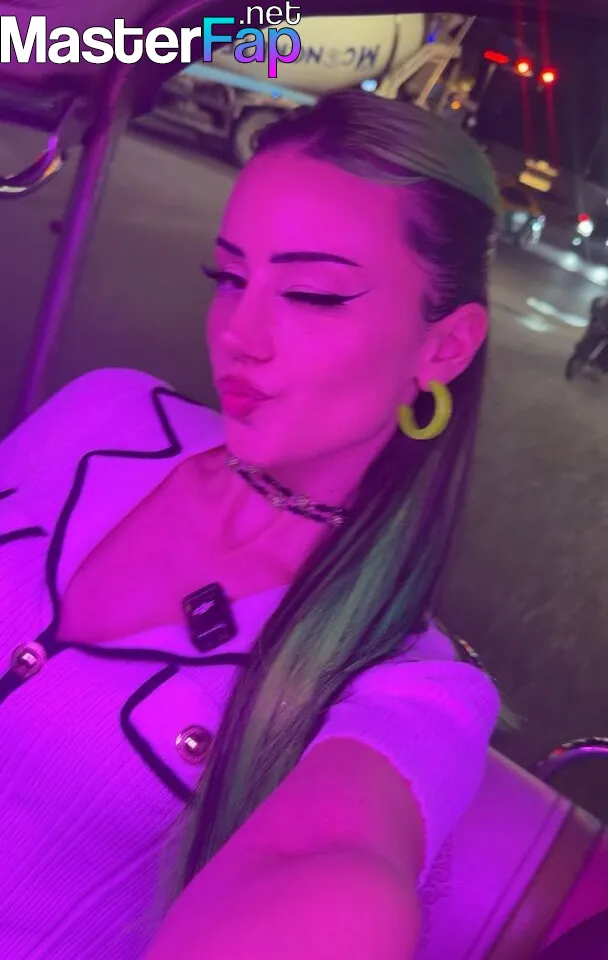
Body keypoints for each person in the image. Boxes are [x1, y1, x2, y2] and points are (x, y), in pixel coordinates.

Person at [0, 90, 501, 959]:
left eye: (312, 294)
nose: (239, 332)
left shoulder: (401, 679)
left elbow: (333, 866)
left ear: (444, 347)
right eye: (229, 277)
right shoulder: (103, 414)